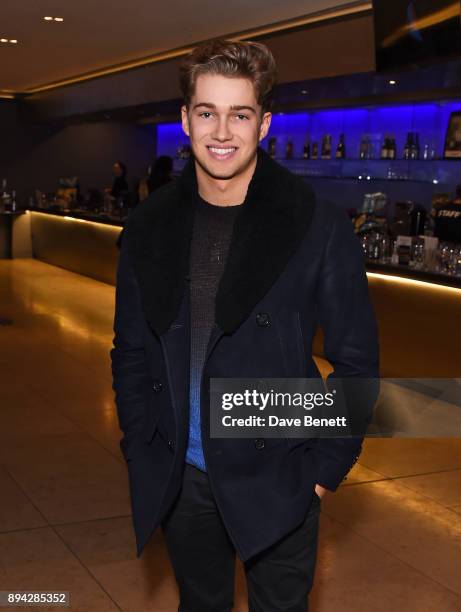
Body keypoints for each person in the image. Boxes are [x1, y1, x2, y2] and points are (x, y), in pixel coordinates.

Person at [110, 39, 380, 611]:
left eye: (241, 114)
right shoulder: (148, 226)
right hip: (182, 475)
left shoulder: (317, 225)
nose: (222, 131)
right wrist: (142, 443)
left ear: (264, 124)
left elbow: (357, 361)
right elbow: (131, 348)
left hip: (278, 471)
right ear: (185, 120)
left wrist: (322, 470)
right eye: (207, 112)